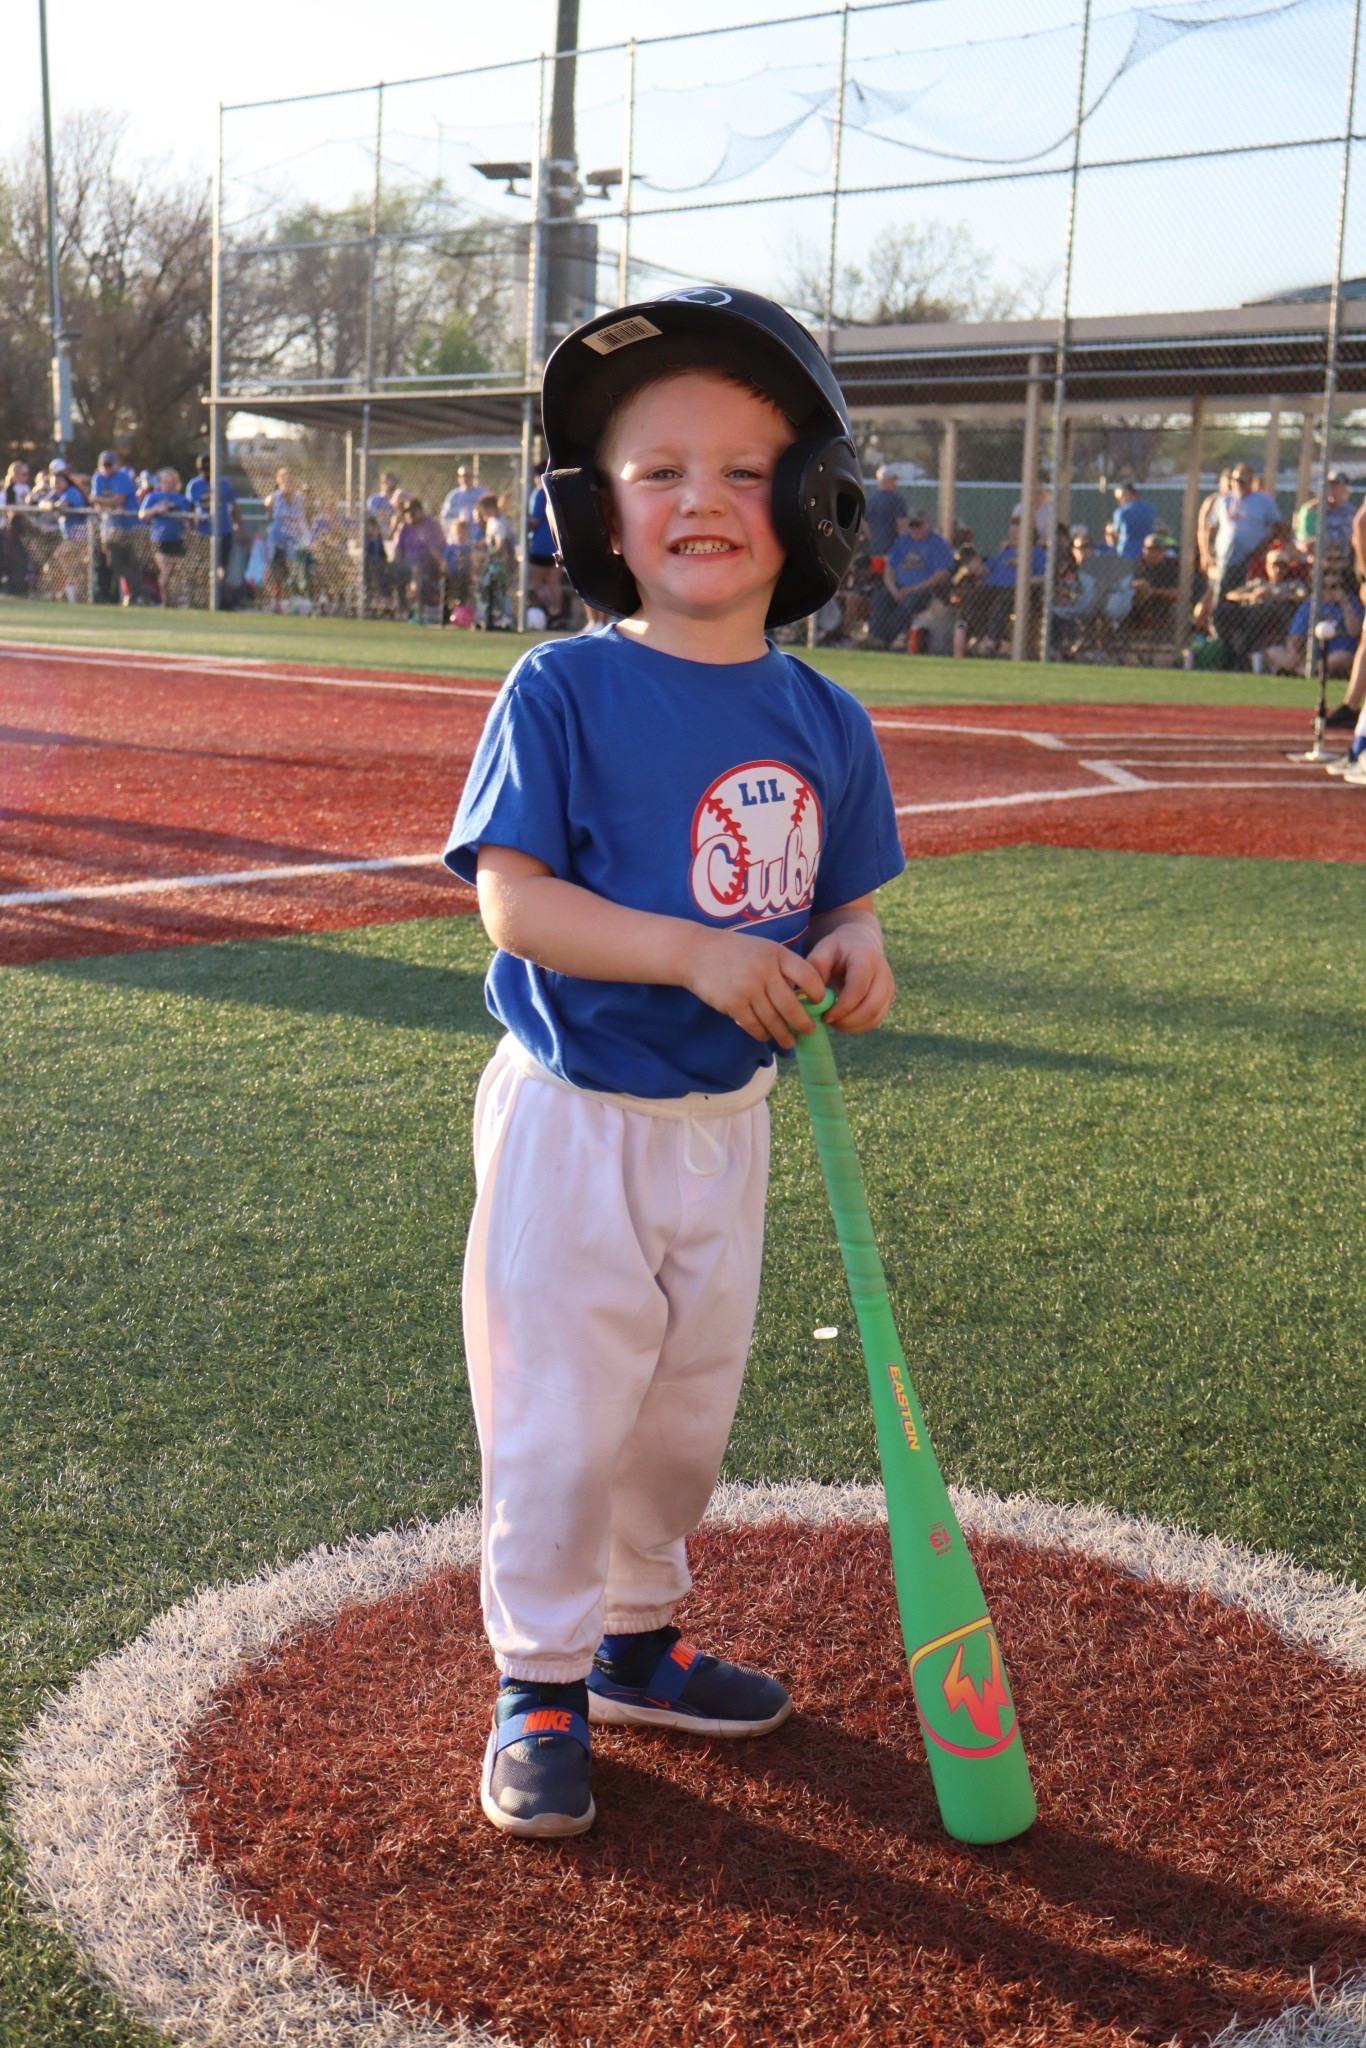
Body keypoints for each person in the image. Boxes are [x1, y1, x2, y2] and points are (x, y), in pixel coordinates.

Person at [444, 287, 900, 1841]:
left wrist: (855, 951)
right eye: (656, 469)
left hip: (730, 1125)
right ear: (593, 515)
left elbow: (843, 897)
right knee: (561, 1417)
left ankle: (637, 1640)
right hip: (578, 1126)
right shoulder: (561, 689)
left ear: (814, 505)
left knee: (682, 1419)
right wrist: (695, 953)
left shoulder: (825, 718)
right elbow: (513, 900)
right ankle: (542, 1680)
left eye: (742, 466)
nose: (699, 496)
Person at [866, 507, 954, 649]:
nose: (915, 529)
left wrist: (912, 588)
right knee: (881, 597)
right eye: (911, 526)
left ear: (926, 524)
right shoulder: (902, 541)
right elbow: (889, 569)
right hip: (899, 586)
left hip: (924, 588)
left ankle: (883, 640)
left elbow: (941, 574)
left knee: (909, 602)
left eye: (918, 525)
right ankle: (874, 636)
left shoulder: (938, 543)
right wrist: (893, 589)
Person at [1210, 462, 1280, 605]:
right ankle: (1220, 625)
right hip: (1226, 558)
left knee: (1245, 597)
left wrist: (1264, 546)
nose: (1239, 484)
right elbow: (1211, 526)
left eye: (1243, 480)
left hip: (1251, 560)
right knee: (1221, 598)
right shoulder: (1223, 500)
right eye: (1236, 480)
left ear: (1251, 481)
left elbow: (1277, 526)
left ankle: (1242, 626)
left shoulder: (1263, 500)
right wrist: (1209, 551)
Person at [186, 453, 243, 609]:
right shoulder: (194, 485)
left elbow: (235, 506)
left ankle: (222, 598)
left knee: (221, 567)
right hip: (203, 533)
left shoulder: (224, 483)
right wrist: (190, 529)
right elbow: (189, 509)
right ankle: (205, 598)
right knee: (204, 566)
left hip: (223, 530)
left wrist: (239, 527)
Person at [863, 464, 908, 559]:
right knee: (891, 572)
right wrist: (904, 546)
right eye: (893, 480)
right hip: (893, 548)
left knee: (878, 572)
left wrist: (873, 540)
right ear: (888, 481)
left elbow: (865, 525)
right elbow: (901, 524)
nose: (895, 483)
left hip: (875, 548)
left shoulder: (871, 499)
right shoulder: (896, 499)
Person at [1112, 479, 1157, 558]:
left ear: (1127, 493)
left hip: (1126, 552)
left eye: (1120, 497)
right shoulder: (1150, 508)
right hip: (1146, 552)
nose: (1119, 501)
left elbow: (1116, 532)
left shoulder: (1121, 512)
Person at [440, 463, 483, 531]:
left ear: (473, 477)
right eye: (462, 476)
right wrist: (457, 522)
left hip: (478, 534)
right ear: (459, 478)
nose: (465, 478)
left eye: (468, 475)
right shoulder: (453, 496)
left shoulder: (482, 493)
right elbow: (445, 518)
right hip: (459, 536)